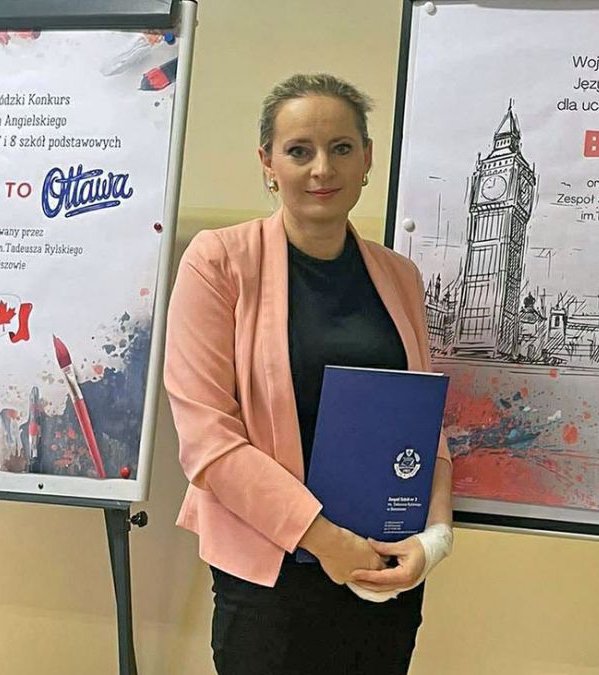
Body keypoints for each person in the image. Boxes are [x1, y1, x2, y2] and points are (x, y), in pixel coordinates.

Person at [164, 73, 453, 675]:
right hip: (271, 584)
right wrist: (327, 541)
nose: (323, 168)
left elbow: (424, 423)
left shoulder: (400, 277)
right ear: (267, 162)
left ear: (367, 159)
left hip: (382, 574)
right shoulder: (218, 262)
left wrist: (434, 539)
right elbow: (208, 442)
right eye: (299, 151)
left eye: (341, 148)